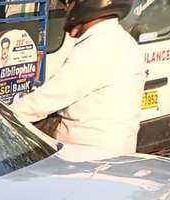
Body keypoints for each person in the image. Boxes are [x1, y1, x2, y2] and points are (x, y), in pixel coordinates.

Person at [10, 0, 143, 154]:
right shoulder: (119, 39)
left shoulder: (100, 45)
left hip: (88, 160)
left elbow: (48, 99)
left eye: (70, 3)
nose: (67, 9)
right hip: (107, 156)